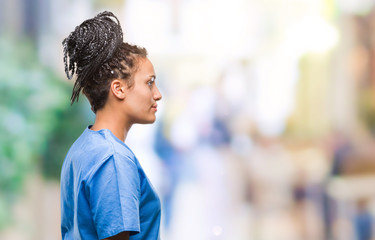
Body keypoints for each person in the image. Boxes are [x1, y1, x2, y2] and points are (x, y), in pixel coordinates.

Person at [60, 11, 162, 240]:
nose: (157, 94)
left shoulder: (82, 148)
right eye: (150, 83)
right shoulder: (113, 159)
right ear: (119, 89)